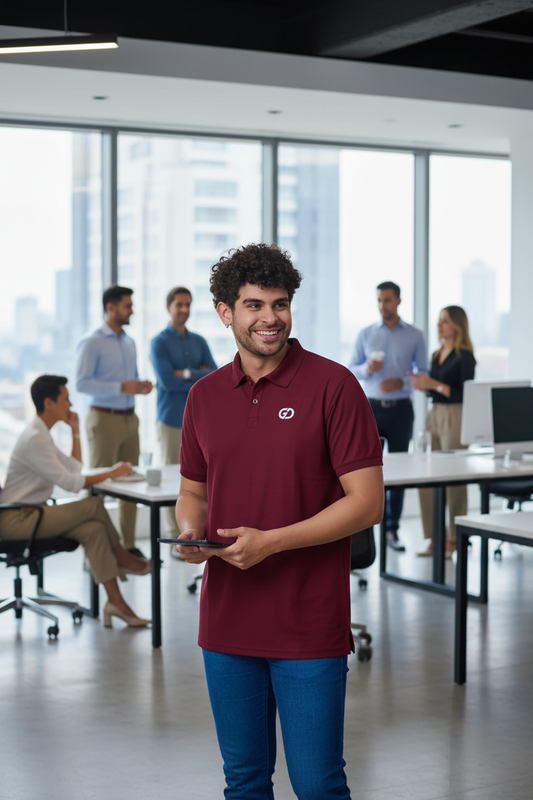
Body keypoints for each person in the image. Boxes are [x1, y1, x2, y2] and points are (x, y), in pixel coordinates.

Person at [175, 243, 384, 800]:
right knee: (243, 782)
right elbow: (193, 490)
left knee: (317, 784)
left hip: (307, 619)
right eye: (254, 305)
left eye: (280, 304)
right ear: (225, 312)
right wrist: (191, 531)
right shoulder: (203, 396)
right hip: (226, 620)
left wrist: (272, 543)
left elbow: (367, 503)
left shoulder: (334, 385)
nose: (270, 318)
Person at [0, 375, 151, 628]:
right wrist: (112, 472)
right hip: (16, 520)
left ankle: (116, 603)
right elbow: (72, 483)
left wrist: (75, 431)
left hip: (32, 514)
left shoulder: (41, 434)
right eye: (66, 399)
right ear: (48, 403)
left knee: (93, 530)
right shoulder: (35, 438)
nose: (70, 404)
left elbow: (74, 468)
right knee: (93, 505)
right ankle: (123, 558)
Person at [349, 281, 427, 552]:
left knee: (400, 470)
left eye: (388, 300)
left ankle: (392, 530)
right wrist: (367, 369)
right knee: (366, 472)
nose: (383, 305)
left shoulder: (415, 335)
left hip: (402, 409)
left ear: (398, 301)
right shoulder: (366, 333)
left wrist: (401, 383)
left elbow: (423, 374)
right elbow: (351, 369)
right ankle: (364, 533)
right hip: (371, 408)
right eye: (380, 300)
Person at [76, 284, 153, 559]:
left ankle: (128, 546)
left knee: (132, 483)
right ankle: (92, 552)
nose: (132, 310)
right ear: (111, 308)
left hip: (129, 419)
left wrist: (140, 386)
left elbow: (130, 381)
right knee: (97, 487)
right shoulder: (92, 341)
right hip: (103, 419)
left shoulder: (129, 342)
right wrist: (121, 387)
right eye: (127, 306)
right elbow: (82, 383)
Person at [150, 286, 216, 551]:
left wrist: (185, 373)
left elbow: (213, 375)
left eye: (188, 304)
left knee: (199, 478)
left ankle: (198, 531)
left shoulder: (199, 341)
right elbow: (167, 381)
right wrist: (195, 373)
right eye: (179, 304)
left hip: (200, 420)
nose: (184, 309)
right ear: (169, 308)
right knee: (171, 477)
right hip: (170, 418)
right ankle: (175, 537)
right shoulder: (159, 342)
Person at [409, 305, 476, 557]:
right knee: (427, 476)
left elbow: (463, 393)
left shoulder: (465, 356)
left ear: (457, 325)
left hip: (455, 415)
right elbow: (436, 390)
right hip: (434, 414)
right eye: (439, 320)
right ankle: (434, 537)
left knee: (454, 478)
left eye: (445, 321)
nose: (439, 325)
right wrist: (424, 386)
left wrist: (434, 384)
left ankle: (455, 538)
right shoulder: (437, 354)